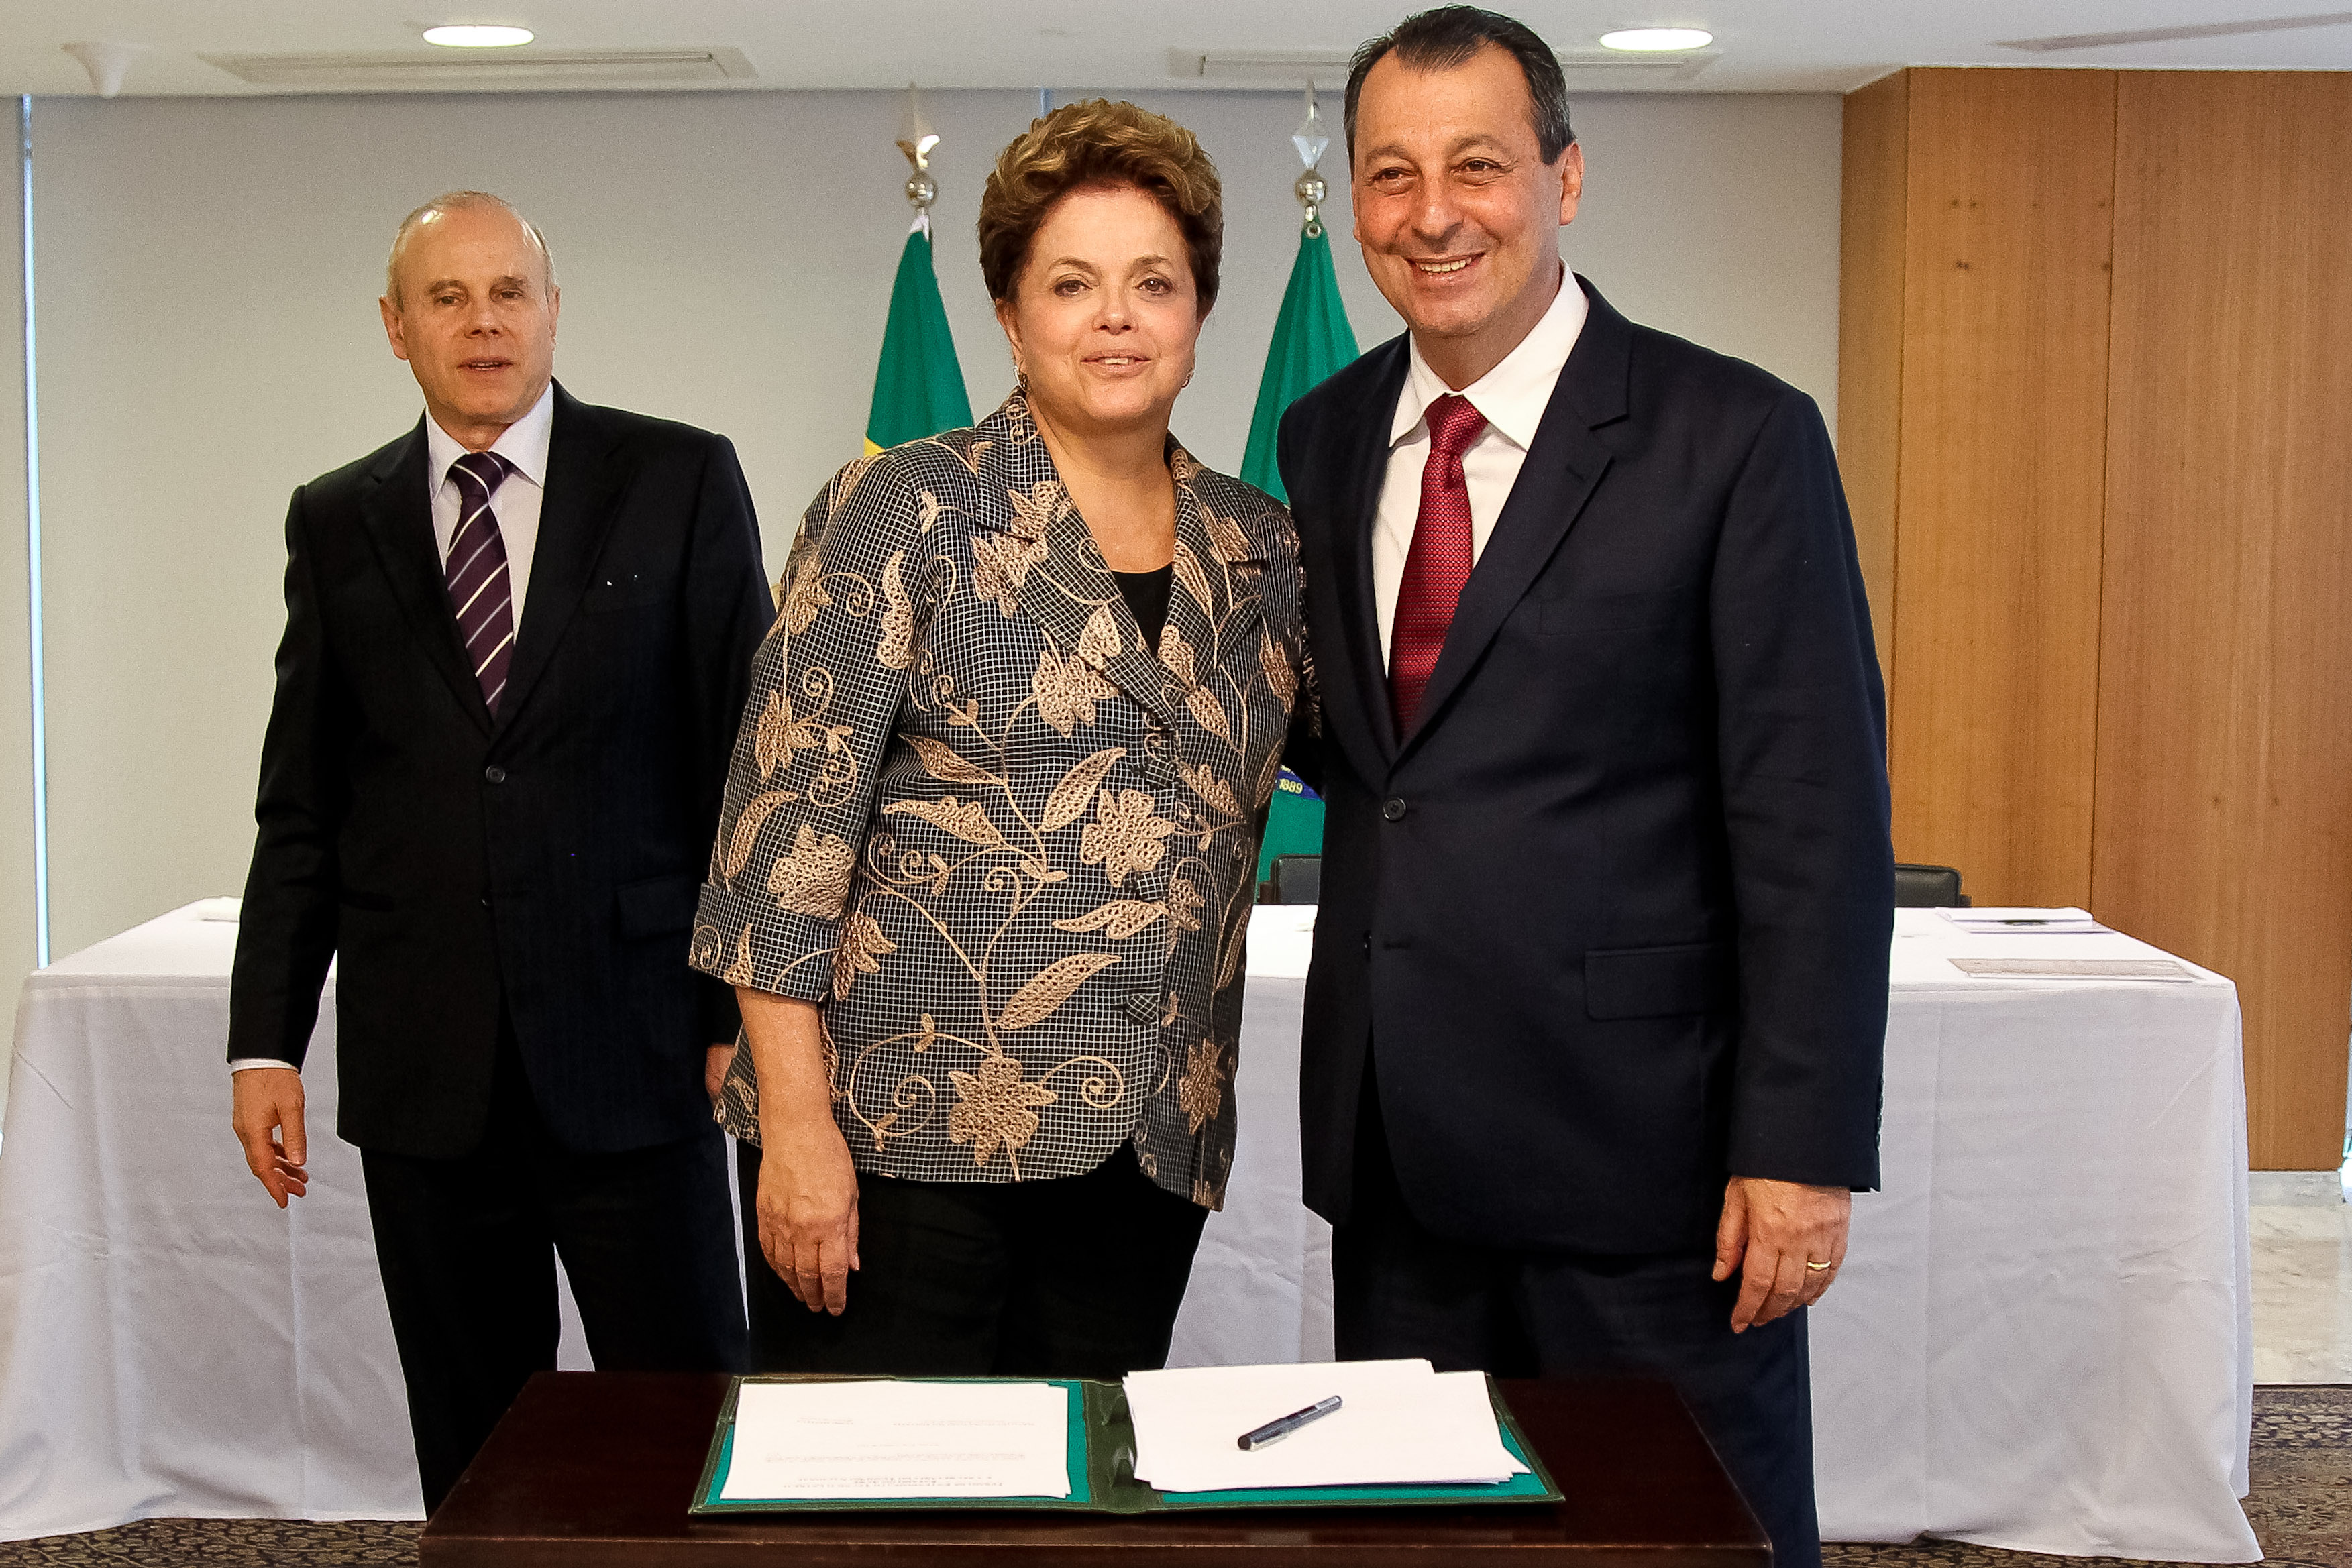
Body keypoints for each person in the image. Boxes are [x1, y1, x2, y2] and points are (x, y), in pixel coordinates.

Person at [1276, 11, 1890, 1565]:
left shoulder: (1735, 436)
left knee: (1683, 1534)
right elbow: (1366, 759)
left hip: (1649, 1164)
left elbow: (1812, 819)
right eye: (1390, 173)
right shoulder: (1324, 435)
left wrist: (1801, 1143)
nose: (1432, 213)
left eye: (1476, 166)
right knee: (1418, 1543)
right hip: (1398, 1154)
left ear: (1563, 175)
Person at [690, 99, 1307, 1378]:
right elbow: (776, 847)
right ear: (1010, 317)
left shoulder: (1259, 545)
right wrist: (795, 1131)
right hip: (897, 1142)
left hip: (1147, 1152)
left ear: (1199, 311)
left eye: (1154, 282)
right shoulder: (907, 504)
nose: (1117, 317)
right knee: (881, 1488)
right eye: (1072, 284)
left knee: (1087, 1479)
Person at [227, 191, 769, 1512]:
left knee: (688, 1420)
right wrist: (264, 1042)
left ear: (552, 311)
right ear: (395, 327)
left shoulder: (678, 477)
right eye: (449, 296)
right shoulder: (335, 519)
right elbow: (303, 806)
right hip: (427, 1066)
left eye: (509, 291)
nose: (484, 322)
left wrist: (732, 1010)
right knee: (476, 1446)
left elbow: (750, 773)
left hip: (640, 1049)